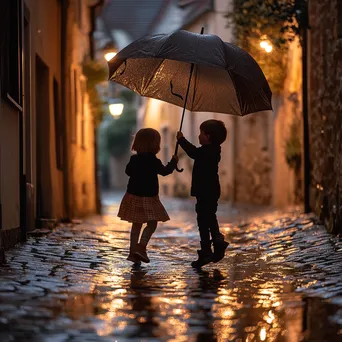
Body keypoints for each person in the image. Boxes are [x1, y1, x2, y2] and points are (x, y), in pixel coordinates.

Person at [118, 128, 178, 264]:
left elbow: (128, 171)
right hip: (149, 197)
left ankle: (133, 253)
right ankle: (141, 247)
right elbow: (165, 171)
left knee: (136, 224)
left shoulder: (134, 159)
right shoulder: (153, 161)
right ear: (154, 144)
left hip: (133, 195)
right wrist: (173, 162)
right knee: (152, 223)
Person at [176, 120, 229, 268]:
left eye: (201, 133)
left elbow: (193, 152)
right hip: (209, 191)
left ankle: (207, 251)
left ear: (208, 136)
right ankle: (217, 243)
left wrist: (181, 140)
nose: (199, 136)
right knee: (209, 218)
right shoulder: (213, 150)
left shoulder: (208, 151)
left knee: (203, 221)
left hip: (206, 191)